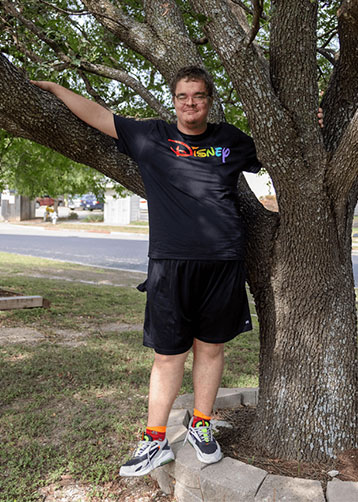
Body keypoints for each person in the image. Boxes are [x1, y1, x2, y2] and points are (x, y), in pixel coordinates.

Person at [31, 66, 267, 476]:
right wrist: (54, 88)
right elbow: (99, 115)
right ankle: (155, 439)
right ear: (172, 101)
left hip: (223, 260)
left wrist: (316, 120)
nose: (190, 103)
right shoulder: (152, 136)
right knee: (167, 355)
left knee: (211, 348)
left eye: (198, 96)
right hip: (169, 263)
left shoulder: (231, 141)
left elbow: (280, 152)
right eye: (182, 96)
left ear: (209, 100)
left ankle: (201, 424)